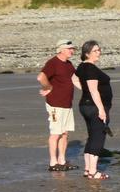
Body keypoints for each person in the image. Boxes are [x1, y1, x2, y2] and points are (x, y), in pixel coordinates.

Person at [37, 40, 80, 172]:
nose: (72, 51)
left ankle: (61, 160)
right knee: (55, 133)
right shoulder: (53, 62)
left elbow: (75, 79)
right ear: (61, 50)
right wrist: (48, 87)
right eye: (69, 48)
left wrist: (88, 91)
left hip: (67, 103)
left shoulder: (68, 64)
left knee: (65, 133)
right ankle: (53, 162)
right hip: (55, 104)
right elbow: (41, 77)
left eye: (72, 49)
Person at [76, 40, 115, 180]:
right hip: (94, 107)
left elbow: (73, 79)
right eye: (95, 51)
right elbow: (93, 90)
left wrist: (84, 90)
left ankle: (87, 169)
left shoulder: (81, 67)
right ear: (87, 53)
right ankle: (93, 171)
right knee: (98, 137)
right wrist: (101, 110)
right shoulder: (90, 68)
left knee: (92, 136)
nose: (99, 53)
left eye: (99, 50)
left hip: (85, 106)